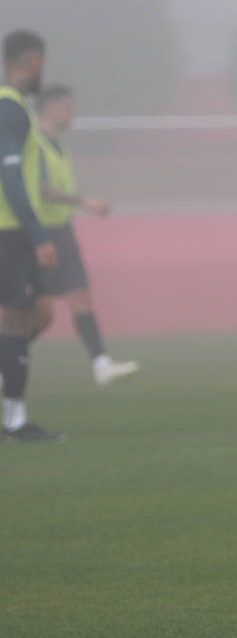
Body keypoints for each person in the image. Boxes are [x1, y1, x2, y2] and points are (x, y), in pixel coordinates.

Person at [34, 85, 139, 385]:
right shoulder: (35, 144)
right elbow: (41, 187)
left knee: (81, 298)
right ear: (50, 107)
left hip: (62, 232)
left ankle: (101, 365)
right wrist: (83, 202)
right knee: (37, 315)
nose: (72, 112)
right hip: (38, 235)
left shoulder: (60, 143)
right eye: (67, 105)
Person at [0, 30, 62, 442]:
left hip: (14, 231)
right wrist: (38, 236)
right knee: (16, 320)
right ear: (34, 60)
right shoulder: (11, 107)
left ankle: (14, 417)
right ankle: (15, 421)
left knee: (39, 314)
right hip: (11, 232)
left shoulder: (14, 105)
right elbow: (9, 176)